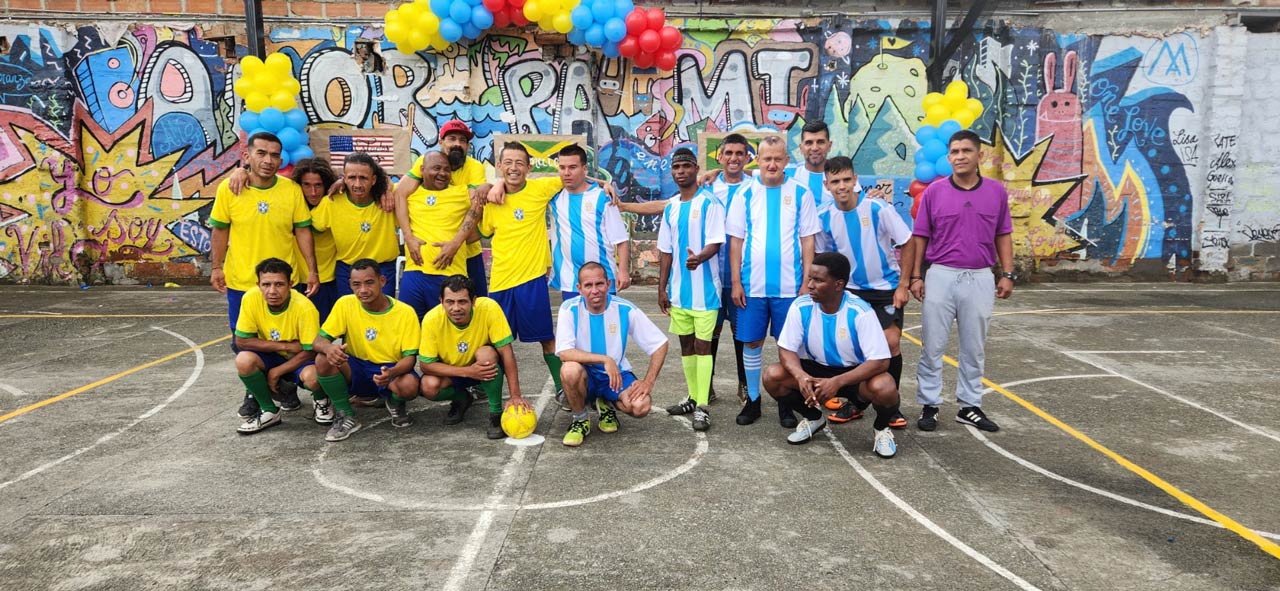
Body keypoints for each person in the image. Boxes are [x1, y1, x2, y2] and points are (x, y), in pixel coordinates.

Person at [895, 129, 1015, 433]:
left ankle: (970, 405)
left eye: (966, 151)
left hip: (980, 277)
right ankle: (930, 404)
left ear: (979, 155)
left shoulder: (996, 192)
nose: (959, 156)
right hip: (941, 275)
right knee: (932, 345)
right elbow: (920, 236)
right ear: (948, 157)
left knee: (974, 346)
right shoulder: (935, 192)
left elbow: (1003, 233)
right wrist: (916, 276)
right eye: (954, 152)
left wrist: (1007, 273)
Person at [210, 132, 319, 418]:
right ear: (246, 156)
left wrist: (311, 270)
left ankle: (287, 386)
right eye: (261, 153)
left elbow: (302, 230)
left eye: (274, 155)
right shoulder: (229, 189)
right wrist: (216, 266)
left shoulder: (290, 190)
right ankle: (254, 393)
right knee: (242, 342)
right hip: (242, 281)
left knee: (293, 339)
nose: (268, 160)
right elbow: (220, 229)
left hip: (284, 282)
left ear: (280, 159)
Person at [763, 253, 899, 456]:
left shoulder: (860, 311)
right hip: (816, 369)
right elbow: (786, 349)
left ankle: (881, 429)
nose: (810, 285)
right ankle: (813, 417)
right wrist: (801, 376)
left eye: (818, 280)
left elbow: (880, 361)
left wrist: (837, 382)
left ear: (838, 285)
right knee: (772, 376)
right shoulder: (801, 306)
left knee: (885, 387)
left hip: (854, 374)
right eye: (810, 278)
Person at [726, 134, 820, 427]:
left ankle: (785, 403)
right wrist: (736, 283)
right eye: (767, 158)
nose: (772, 164)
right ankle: (753, 400)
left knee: (788, 346)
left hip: (790, 287)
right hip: (752, 287)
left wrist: (806, 282)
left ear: (786, 161)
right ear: (758, 160)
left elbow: (807, 241)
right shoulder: (744, 194)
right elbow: (736, 242)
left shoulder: (801, 193)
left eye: (778, 159)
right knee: (751, 343)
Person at [814, 156, 910, 429]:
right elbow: (824, 256)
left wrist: (904, 283)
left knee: (890, 343)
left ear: (855, 180)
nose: (842, 186)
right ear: (827, 185)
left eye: (846, 179)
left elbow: (907, 240)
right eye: (835, 181)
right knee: (855, 349)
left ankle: (891, 406)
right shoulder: (824, 216)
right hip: (850, 292)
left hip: (884, 289)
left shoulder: (878, 208)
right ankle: (857, 402)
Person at [478, 142, 568, 405]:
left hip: (531, 280)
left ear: (529, 168)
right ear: (499, 166)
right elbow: (484, 232)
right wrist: (491, 187)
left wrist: (604, 183)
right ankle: (495, 406)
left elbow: (574, 174)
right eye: (508, 162)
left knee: (546, 339)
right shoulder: (493, 201)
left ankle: (563, 390)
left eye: (519, 163)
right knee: (495, 345)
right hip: (500, 282)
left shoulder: (541, 188)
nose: (513, 168)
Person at [555, 262, 669, 447]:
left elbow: (660, 344)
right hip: (586, 375)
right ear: (579, 288)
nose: (595, 290)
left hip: (616, 376)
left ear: (608, 284)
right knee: (569, 370)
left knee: (641, 406)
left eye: (599, 284)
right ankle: (580, 419)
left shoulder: (625, 309)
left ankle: (606, 402)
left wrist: (648, 381)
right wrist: (604, 359)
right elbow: (564, 352)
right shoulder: (569, 308)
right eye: (588, 285)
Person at [313, 259, 422, 442]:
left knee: (409, 386)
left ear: (382, 281)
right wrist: (329, 347)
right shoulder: (345, 304)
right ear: (350, 285)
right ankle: (346, 414)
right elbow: (318, 340)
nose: (363, 290)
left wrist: (392, 372)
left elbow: (410, 359)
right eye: (356, 284)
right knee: (323, 359)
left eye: (369, 282)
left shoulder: (405, 312)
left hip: (388, 369)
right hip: (356, 366)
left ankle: (394, 401)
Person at [656, 148, 725, 432]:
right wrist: (661, 289)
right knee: (685, 346)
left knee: (702, 346)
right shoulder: (671, 206)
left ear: (696, 169)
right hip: (680, 292)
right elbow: (665, 251)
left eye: (686, 166)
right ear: (672, 172)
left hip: (706, 291)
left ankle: (703, 406)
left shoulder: (710, 203)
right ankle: (692, 396)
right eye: (677, 167)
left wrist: (700, 257)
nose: (681, 171)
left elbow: (716, 242)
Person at [418, 275, 531, 439]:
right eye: (450, 302)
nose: (456, 308)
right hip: (456, 371)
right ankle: (462, 398)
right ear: (441, 301)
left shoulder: (489, 308)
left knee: (486, 355)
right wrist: (468, 371)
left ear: (474, 300)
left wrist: (515, 395)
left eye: (462, 301)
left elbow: (506, 352)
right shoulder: (431, 319)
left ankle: (495, 414)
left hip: (482, 366)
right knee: (428, 385)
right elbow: (425, 365)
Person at [393, 119, 493, 297]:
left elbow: (476, 207)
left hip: (468, 253)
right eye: (452, 139)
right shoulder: (426, 161)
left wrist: (455, 243)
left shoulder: (474, 167)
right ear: (441, 142)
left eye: (463, 140)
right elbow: (400, 193)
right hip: (428, 260)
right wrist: (408, 236)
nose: (457, 144)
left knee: (476, 304)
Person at [232, 258, 323, 434]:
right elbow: (241, 341)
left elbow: (310, 351)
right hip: (276, 355)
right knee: (243, 360)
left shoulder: (305, 307)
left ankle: (321, 400)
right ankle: (270, 411)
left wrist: (277, 372)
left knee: (314, 376)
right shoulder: (250, 298)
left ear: (291, 284)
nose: (272, 291)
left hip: (300, 360)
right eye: (266, 284)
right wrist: (286, 347)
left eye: (279, 284)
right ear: (258, 285)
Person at [396, 151, 475, 317]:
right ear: (422, 170)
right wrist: (408, 237)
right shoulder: (409, 193)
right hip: (414, 273)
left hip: (450, 275)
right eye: (436, 168)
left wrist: (456, 243)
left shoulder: (462, 193)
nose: (443, 173)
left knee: (449, 329)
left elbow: (481, 204)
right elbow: (380, 188)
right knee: (411, 327)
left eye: (447, 169)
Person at [548, 144, 631, 300]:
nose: (566, 173)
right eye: (562, 167)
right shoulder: (554, 197)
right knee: (576, 323)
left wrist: (623, 271)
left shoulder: (603, 197)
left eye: (573, 167)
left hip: (602, 279)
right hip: (570, 280)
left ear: (584, 168)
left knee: (604, 323)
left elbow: (621, 239)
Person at [311, 153, 400, 298]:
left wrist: (388, 189)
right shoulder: (331, 201)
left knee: (382, 314)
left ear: (373, 180)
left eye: (363, 178)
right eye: (352, 177)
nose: (357, 184)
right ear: (344, 178)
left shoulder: (389, 199)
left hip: (382, 268)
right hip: (347, 268)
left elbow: (412, 181)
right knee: (349, 314)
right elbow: (306, 228)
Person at [291, 158, 340, 323]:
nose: (313, 192)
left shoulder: (332, 202)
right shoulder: (291, 202)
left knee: (322, 334)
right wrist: (242, 172)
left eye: (318, 185)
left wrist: (343, 181)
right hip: (295, 279)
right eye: (306, 185)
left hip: (326, 279)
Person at [785, 121, 834, 210]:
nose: (814, 148)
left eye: (820, 142)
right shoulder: (787, 173)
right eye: (809, 143)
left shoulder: (842, 175)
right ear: (801, 148)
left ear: (829, 146)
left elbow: (858, 203)